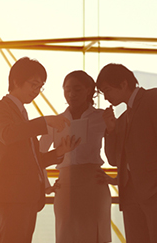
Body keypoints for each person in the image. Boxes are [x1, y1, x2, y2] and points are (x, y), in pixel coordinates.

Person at [0, 57, 79, 243]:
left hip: (28, 196)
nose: (36, 92)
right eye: (33, 85)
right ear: (16, 81)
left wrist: (58, 152)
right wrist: (45, 122)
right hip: (13, 196)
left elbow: (33, 160)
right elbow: (7, 134)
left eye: (40, 87)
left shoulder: (23, 115)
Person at [98, 63, 157, 243]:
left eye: (107, 90)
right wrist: (110, 131)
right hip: (131, 193)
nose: (106, 97)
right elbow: (114, 160)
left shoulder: (155, 97)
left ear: (123, 84)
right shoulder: (123, 118)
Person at [38, 70, 111, 243]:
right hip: (65, 185)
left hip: (94, 184)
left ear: (88, 90)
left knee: (95, 234)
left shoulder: (101, 117)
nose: (71, 94)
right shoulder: (56, 121)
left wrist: (115, 178)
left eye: (77, 89)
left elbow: (122, 151)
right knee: (66, 234)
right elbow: (38, 154)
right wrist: (45, 185)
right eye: (67, 89)